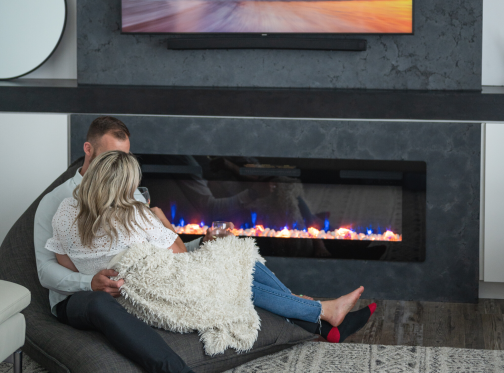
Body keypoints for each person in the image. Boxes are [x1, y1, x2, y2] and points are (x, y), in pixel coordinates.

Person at [46, 151, 375, 347]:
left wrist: (99, 274)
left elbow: (67, 263)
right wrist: (161, 220)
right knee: (237, 254)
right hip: (164, 293)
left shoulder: (65, 213)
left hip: (130, 292)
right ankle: (321, 312)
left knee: (233, 262)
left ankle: (317, 318)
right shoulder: (135, 216)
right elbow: (180, 255)